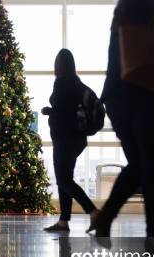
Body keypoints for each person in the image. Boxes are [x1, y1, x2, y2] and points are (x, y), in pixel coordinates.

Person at [94, 0, 154, 238]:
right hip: (150, 96)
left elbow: (113, 59)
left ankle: (107, 217)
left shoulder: (121, 12)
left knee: (140, 164)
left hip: (118, 100)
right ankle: (153, 232)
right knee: (153, 166)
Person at [41, 49, 99, 232]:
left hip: (64, 139)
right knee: (65, 179)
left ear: (58, 66)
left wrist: (48, 111)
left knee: (64, 181)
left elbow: (62, 111)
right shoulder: (76, 83)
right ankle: (63, 221)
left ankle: (93, 212)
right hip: (77, 140)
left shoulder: (61, 83)